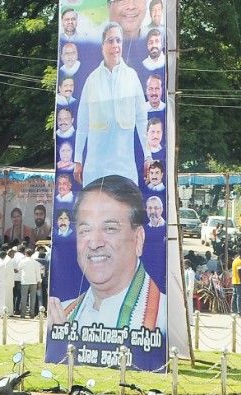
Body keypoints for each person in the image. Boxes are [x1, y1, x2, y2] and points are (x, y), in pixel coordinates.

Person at [47, 175, 165, 331]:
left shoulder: (164, 319)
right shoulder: (60, 315)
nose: (95, 243)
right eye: (85, 230)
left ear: (138, 239)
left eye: (110, 228)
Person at [73, 23, 151, 187]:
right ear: (102, 46)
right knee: (95, 211)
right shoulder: (92, 80)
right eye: (110, 41)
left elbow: (142, 120)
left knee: (126, 211)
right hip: (96, 168)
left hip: (124, 168)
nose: (115, 45)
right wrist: (78, 160)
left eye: (118, 40)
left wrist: (148, 156)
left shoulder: (132, 77)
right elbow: (82, 123)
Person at [18, 249, 43, 318]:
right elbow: (38, 273)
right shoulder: (36, 263)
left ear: (26, 253)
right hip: (33, 281)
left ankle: (23, 314)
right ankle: (31, 313)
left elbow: (18, 269)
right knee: (32, 298)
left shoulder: (22, 261)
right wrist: (39, 282)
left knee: (23, 298)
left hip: (25, 281)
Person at [231, 250, 241, 317]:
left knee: (234, 296)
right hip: (239, 281)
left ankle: (233, 310)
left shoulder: (235, 260)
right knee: (239, 297)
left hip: (234, 281)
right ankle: (240, 312)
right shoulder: (240, 262)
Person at [184, 260, 196, 324]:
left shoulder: (191, 272)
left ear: (187, 265)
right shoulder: (186, 271)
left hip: (188, 291)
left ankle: (190, 321)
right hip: (185, 291)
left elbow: (191, 283)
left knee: (189, 306)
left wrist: (189, 290)